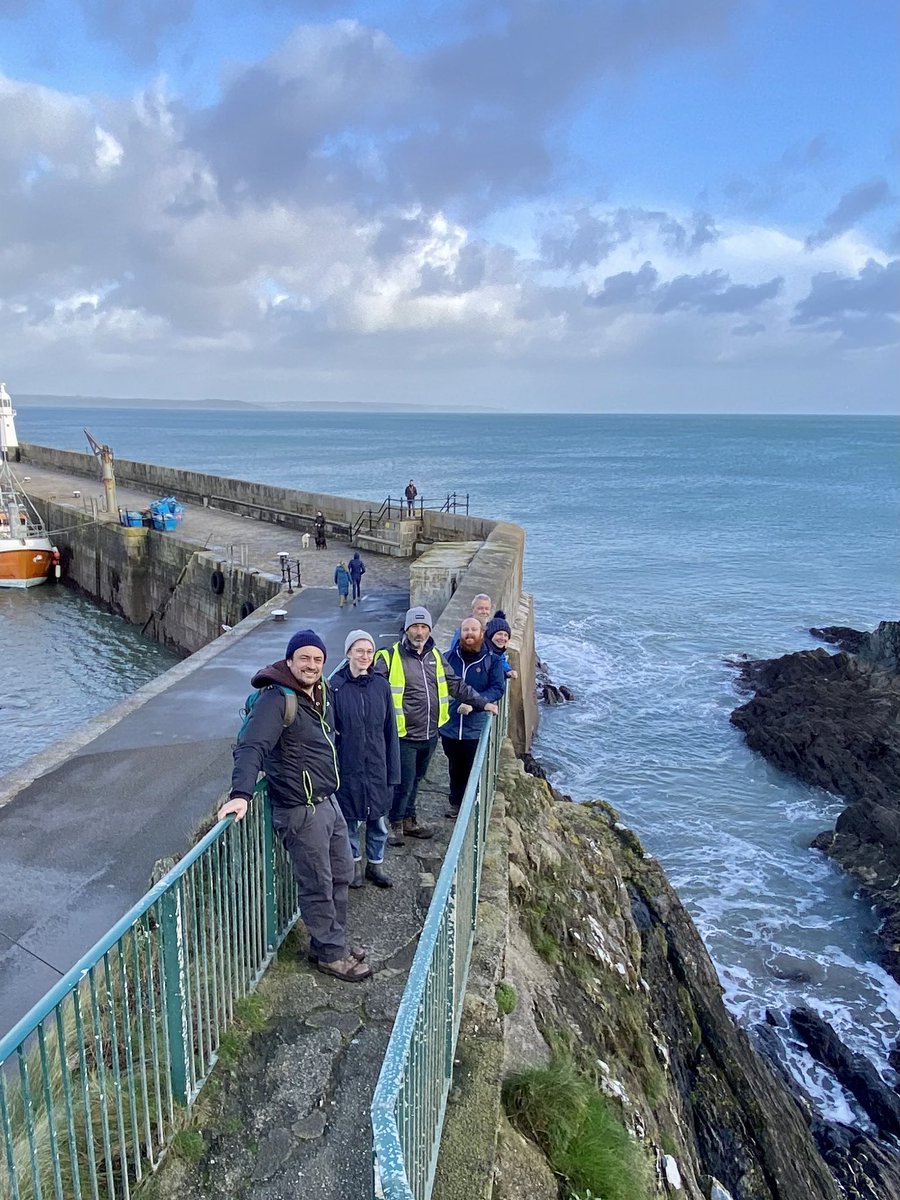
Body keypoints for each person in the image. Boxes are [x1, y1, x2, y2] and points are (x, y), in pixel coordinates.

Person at [218, 630, 370, 983]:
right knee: (317, 881)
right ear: (290, 661)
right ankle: (331, 956)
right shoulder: (277, 700)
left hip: (327, 802)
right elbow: (251, 746)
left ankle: (331, 942)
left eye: (317, 660)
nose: (311, 665)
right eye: (304, 658)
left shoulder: (321, 693)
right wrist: (241, 793)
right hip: (300, 810)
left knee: (342, 872)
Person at [375, 606, 499, 845]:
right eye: (415, 627)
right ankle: (395, 824)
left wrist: (483, 703)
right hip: (403, 734)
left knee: (417, 778)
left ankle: (409, 820)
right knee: (403, 781)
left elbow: (456, 686)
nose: (419, 632)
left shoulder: (436, 657)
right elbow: (373, 689)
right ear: (406, 629)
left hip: (431, 733)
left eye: (423, 627)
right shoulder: (389, 656)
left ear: (429, 630)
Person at [330, 630, 399, 889]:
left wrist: (393, 770)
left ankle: (376, 865)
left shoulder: (381, 686)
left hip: (377, 765)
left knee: (378, 820)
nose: (365, 656)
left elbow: (389, 730)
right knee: (349, 820)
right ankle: (354, 866)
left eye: (369, 652)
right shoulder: (335, 687)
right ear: (348, 653)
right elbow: (330, 733)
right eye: (359, 651)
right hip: (349, 766)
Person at [440, 617, 506, 819]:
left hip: (475, 727)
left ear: (482, 633)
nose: (469, 633)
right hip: (450, 724)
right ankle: (455, 802)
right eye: (466, 629)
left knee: (472, 767)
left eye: (474, 630)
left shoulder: (492, 661)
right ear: (460, 633)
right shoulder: (448, 658)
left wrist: (476, 704)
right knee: (454, 765)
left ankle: (472, 807)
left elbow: (497, 688)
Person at [484, 610, 518, 679]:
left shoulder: (497, 650)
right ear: (490, 635)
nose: (503, 638)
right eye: (499, 634)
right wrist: (505, 674)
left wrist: (508, 670)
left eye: (506, 635)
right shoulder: (483, 651)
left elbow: (501, 661)